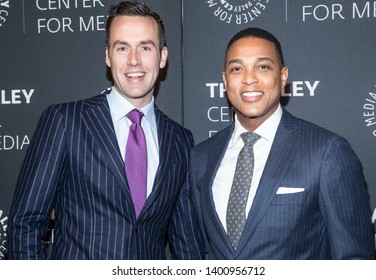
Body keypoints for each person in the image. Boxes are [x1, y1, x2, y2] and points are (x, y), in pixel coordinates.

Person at [7, 0, 204, 260]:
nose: (134, 60)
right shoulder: (65, 121)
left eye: (145, 47)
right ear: (108, 56)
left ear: (162, 56)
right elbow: (25, 224)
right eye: (123, 48)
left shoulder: (180, 139)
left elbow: (186, 242)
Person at [189, 27, 375, 259]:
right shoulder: (202, 156)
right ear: (225, 80)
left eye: (263, 67)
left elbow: (354, 261)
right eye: (237, 69)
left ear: (283, 76)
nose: (249, 79)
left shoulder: (326, 151)